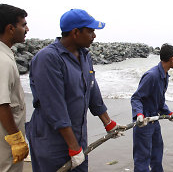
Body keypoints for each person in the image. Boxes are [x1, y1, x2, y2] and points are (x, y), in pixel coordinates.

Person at [25, 9, 125, 172]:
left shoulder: (85, 56)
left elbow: (92, 90)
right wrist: (73, 147)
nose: (94, 36)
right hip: (52, 142)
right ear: (75, 32)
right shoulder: (48, 58)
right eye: (90, 31)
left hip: (78, 138)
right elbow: (54, 106)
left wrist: (109, 123)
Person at [131, 43, 173, 172]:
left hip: (154, 120)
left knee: (157, 155)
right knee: (142, 159)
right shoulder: (151, 76)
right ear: (171, 59)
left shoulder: (164, 76)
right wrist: (139, 115)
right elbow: (136, 98)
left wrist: (169, 113)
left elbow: (159, 101)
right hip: (144, 122)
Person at [0, 4, 29, 171]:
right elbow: (2, 103)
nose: (27, 29)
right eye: (23, 25)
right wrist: (16, 140)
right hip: (6, 141)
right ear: (10, 28)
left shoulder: (6, 54)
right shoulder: (2, 61)